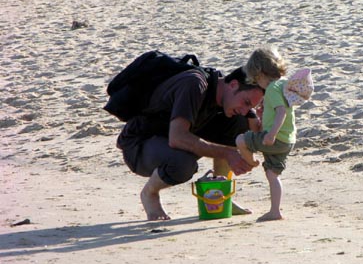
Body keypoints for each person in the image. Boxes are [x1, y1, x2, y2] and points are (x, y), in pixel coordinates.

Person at [116, 65, 264, 220]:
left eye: (250, 106)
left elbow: (253, 131)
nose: (244, 110)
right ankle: (150, 193)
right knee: (183, 163)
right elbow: (177, 138)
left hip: (169, 139)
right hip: (140, 146)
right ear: (233, 84)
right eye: (246, 102)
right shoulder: (194, 84)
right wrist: (227, 153)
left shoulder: (222, 89)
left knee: (239, 122)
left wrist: (258, 118)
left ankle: (220, 193)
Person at [236, 47, 314, 221]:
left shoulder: (272, 88)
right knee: (272, 175)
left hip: (276, 138)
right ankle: (275, 211)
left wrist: (271, 134)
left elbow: (281, 112)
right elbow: (280, 111)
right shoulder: (284, 85)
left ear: (260, 74)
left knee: (241, 140)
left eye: (257, 80)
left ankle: (251, 162)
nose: (258, 85)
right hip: (288, 140)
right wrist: (265, 115)